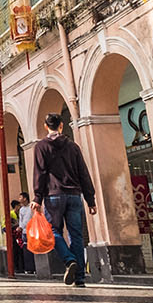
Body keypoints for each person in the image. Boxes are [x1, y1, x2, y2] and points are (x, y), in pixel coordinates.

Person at [33, 112, 97, 286]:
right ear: (61, 125)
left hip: (53, 196)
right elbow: (83, 172)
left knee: (53, 231)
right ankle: (80, 278)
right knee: (76, 236)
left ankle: (69, 261)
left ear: (46, 126)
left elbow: (40, 173)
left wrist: (37, 197)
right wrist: (90, 199)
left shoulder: (41, 147)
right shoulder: (73, 147)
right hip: (75, 196)